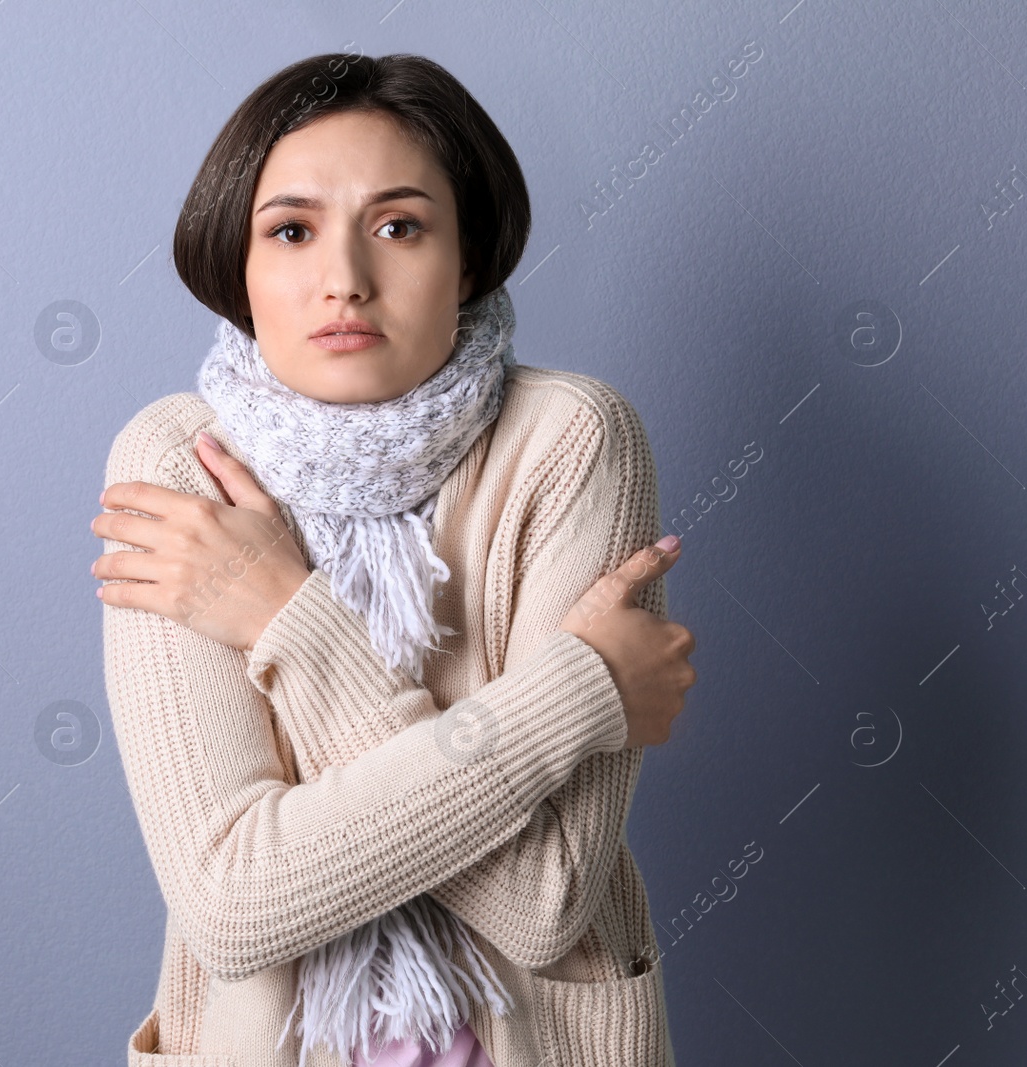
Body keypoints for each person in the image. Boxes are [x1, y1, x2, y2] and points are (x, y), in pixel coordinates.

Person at [92, 51, 696, 1067]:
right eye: (289, 230)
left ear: (466, 260)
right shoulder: (177, 460)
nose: (345, 280)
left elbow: (543, 902)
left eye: (399, 226)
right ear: (236, 265)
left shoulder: (573, 439)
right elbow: (234, 904)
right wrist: (579, 689)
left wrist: (285, 615)